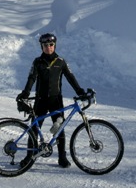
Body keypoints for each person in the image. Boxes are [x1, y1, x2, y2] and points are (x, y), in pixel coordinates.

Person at [17, 32, 86, 168]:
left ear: (54, 45)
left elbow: (70, 77)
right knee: (34, 129)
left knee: (59, 129)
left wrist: (80, 91)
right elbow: (31, 78)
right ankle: (29, 157)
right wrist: (25, 93)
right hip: (40, 100)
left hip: (56, 101)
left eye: (51, 45)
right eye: (45, 45)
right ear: (41, 47)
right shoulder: (37, 62)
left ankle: (62, 157)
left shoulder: (61, 61)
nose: (48, 47)